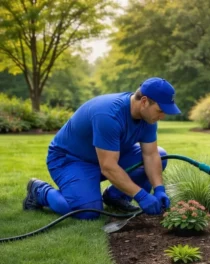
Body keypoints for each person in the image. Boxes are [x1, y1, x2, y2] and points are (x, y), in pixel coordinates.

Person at [22, 77, 180, 220]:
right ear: (144, 101)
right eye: (160, 111)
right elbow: (108, 167)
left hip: (106, 157)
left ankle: (115, 197)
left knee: (161, 155)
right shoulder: (108, 115)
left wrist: (159, 189)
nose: (162, 116)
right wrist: (141, 195)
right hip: (71, 160)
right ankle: (39, 191)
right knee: (87, 212)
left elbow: (151, 155)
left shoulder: (148, 118)